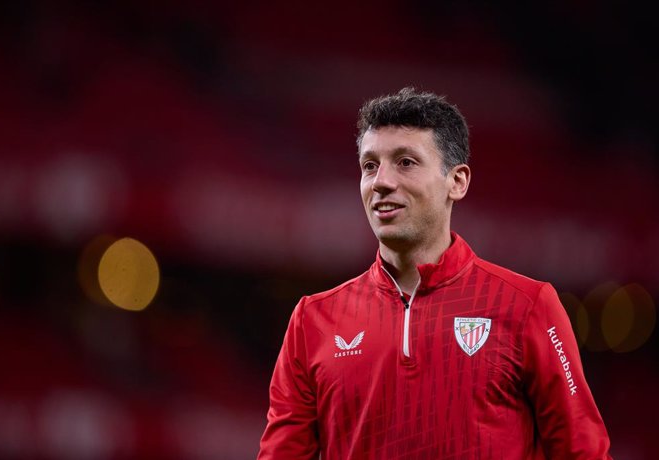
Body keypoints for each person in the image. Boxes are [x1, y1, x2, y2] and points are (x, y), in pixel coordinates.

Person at [258, 87, 611, 459]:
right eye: (370, 165)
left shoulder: (527, 306)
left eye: (406, 162)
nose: (381, 182)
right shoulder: (313, 321)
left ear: (456, 182)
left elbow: (583, 451)